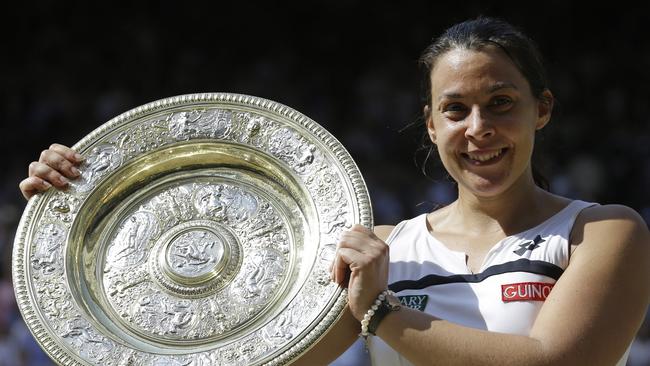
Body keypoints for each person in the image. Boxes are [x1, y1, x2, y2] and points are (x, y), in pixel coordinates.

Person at [20, 17, 650, 366]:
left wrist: (379, 314)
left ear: (542, 110)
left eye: (501, 104)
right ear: (432, 126)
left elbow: (562, 365)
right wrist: (80, 207)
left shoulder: (603, 230)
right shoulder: (380, 251)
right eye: (455, 109)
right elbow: (229, 358)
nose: (479, 129)